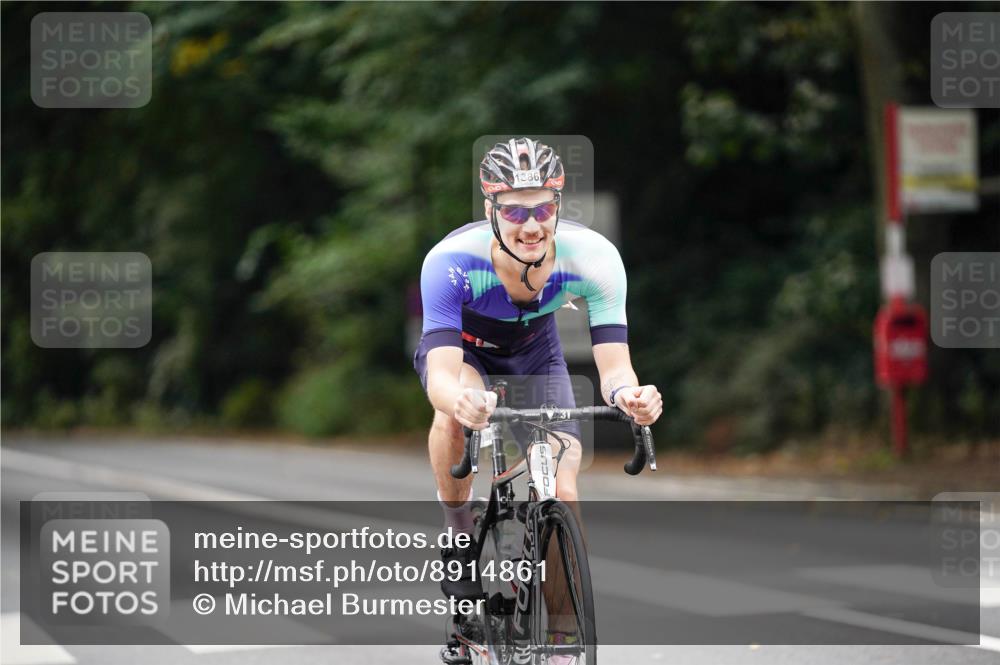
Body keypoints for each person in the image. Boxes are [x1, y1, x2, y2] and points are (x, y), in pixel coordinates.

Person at [414, 137, 662, 656]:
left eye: (543, 208)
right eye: (515, 211)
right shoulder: (451, 261)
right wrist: (459, 400)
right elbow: (440, 377)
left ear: (558, 205)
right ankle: (459, 539)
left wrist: (632, 396)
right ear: (491, 211)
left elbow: (615, 368)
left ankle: (562, 637)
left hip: (535, 352)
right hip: (465, 354)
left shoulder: (593, 257)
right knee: (457, 412)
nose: (531, 225)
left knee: (562, 488)